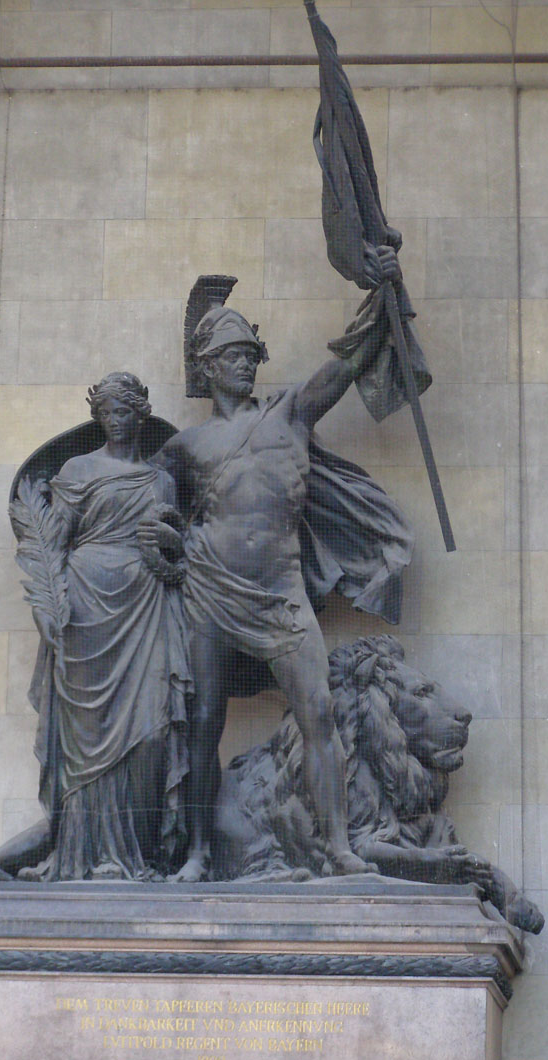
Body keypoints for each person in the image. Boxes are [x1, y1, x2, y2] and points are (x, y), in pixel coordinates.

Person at [156, 253, 412, 882]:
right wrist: (156, 536)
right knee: (204, 722)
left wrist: (384, 292)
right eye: (233, 355)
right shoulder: (184, 448)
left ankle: (339, 847)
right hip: (210, 590)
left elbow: (348, 364)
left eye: (251, 354)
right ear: (208, 366)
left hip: (279, 589)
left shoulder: (290, 412)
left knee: (318, 713)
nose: (247, 364)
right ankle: (197, 853)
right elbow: (148, 508)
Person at [0, 372, 192, 912]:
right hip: (86, 612)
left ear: (141, 415)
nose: (114, 420)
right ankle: (91, 858)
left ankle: (137, 857)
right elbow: (52, 542)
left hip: (147, 608)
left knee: (152, 732)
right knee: (87, 747)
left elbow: (177, 545)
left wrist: (173, 546)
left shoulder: (161, 481)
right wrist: (49, 606)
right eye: (105, 412)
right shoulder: (78, 471)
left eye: (123, 411)